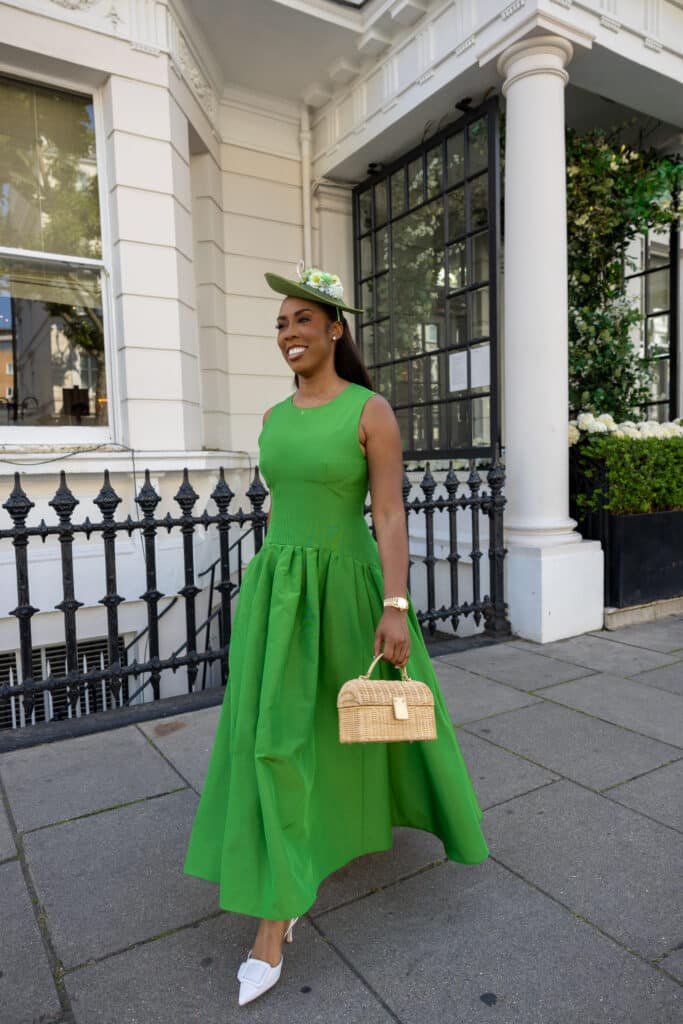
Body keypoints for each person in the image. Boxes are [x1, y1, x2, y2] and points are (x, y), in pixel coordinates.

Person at [183, 264, 489, 1006]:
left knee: (355, 725)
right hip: (279, 594)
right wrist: (265, 585)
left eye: (301, 321)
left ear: (334, 330)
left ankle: (331, 846)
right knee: (276, 737)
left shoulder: (369, 409)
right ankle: (275, 912)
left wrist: (396, 604)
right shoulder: (272, 419)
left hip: (349, 591)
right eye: (281, 324)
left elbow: (387, 514)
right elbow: (279, 508)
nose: (288, 333)